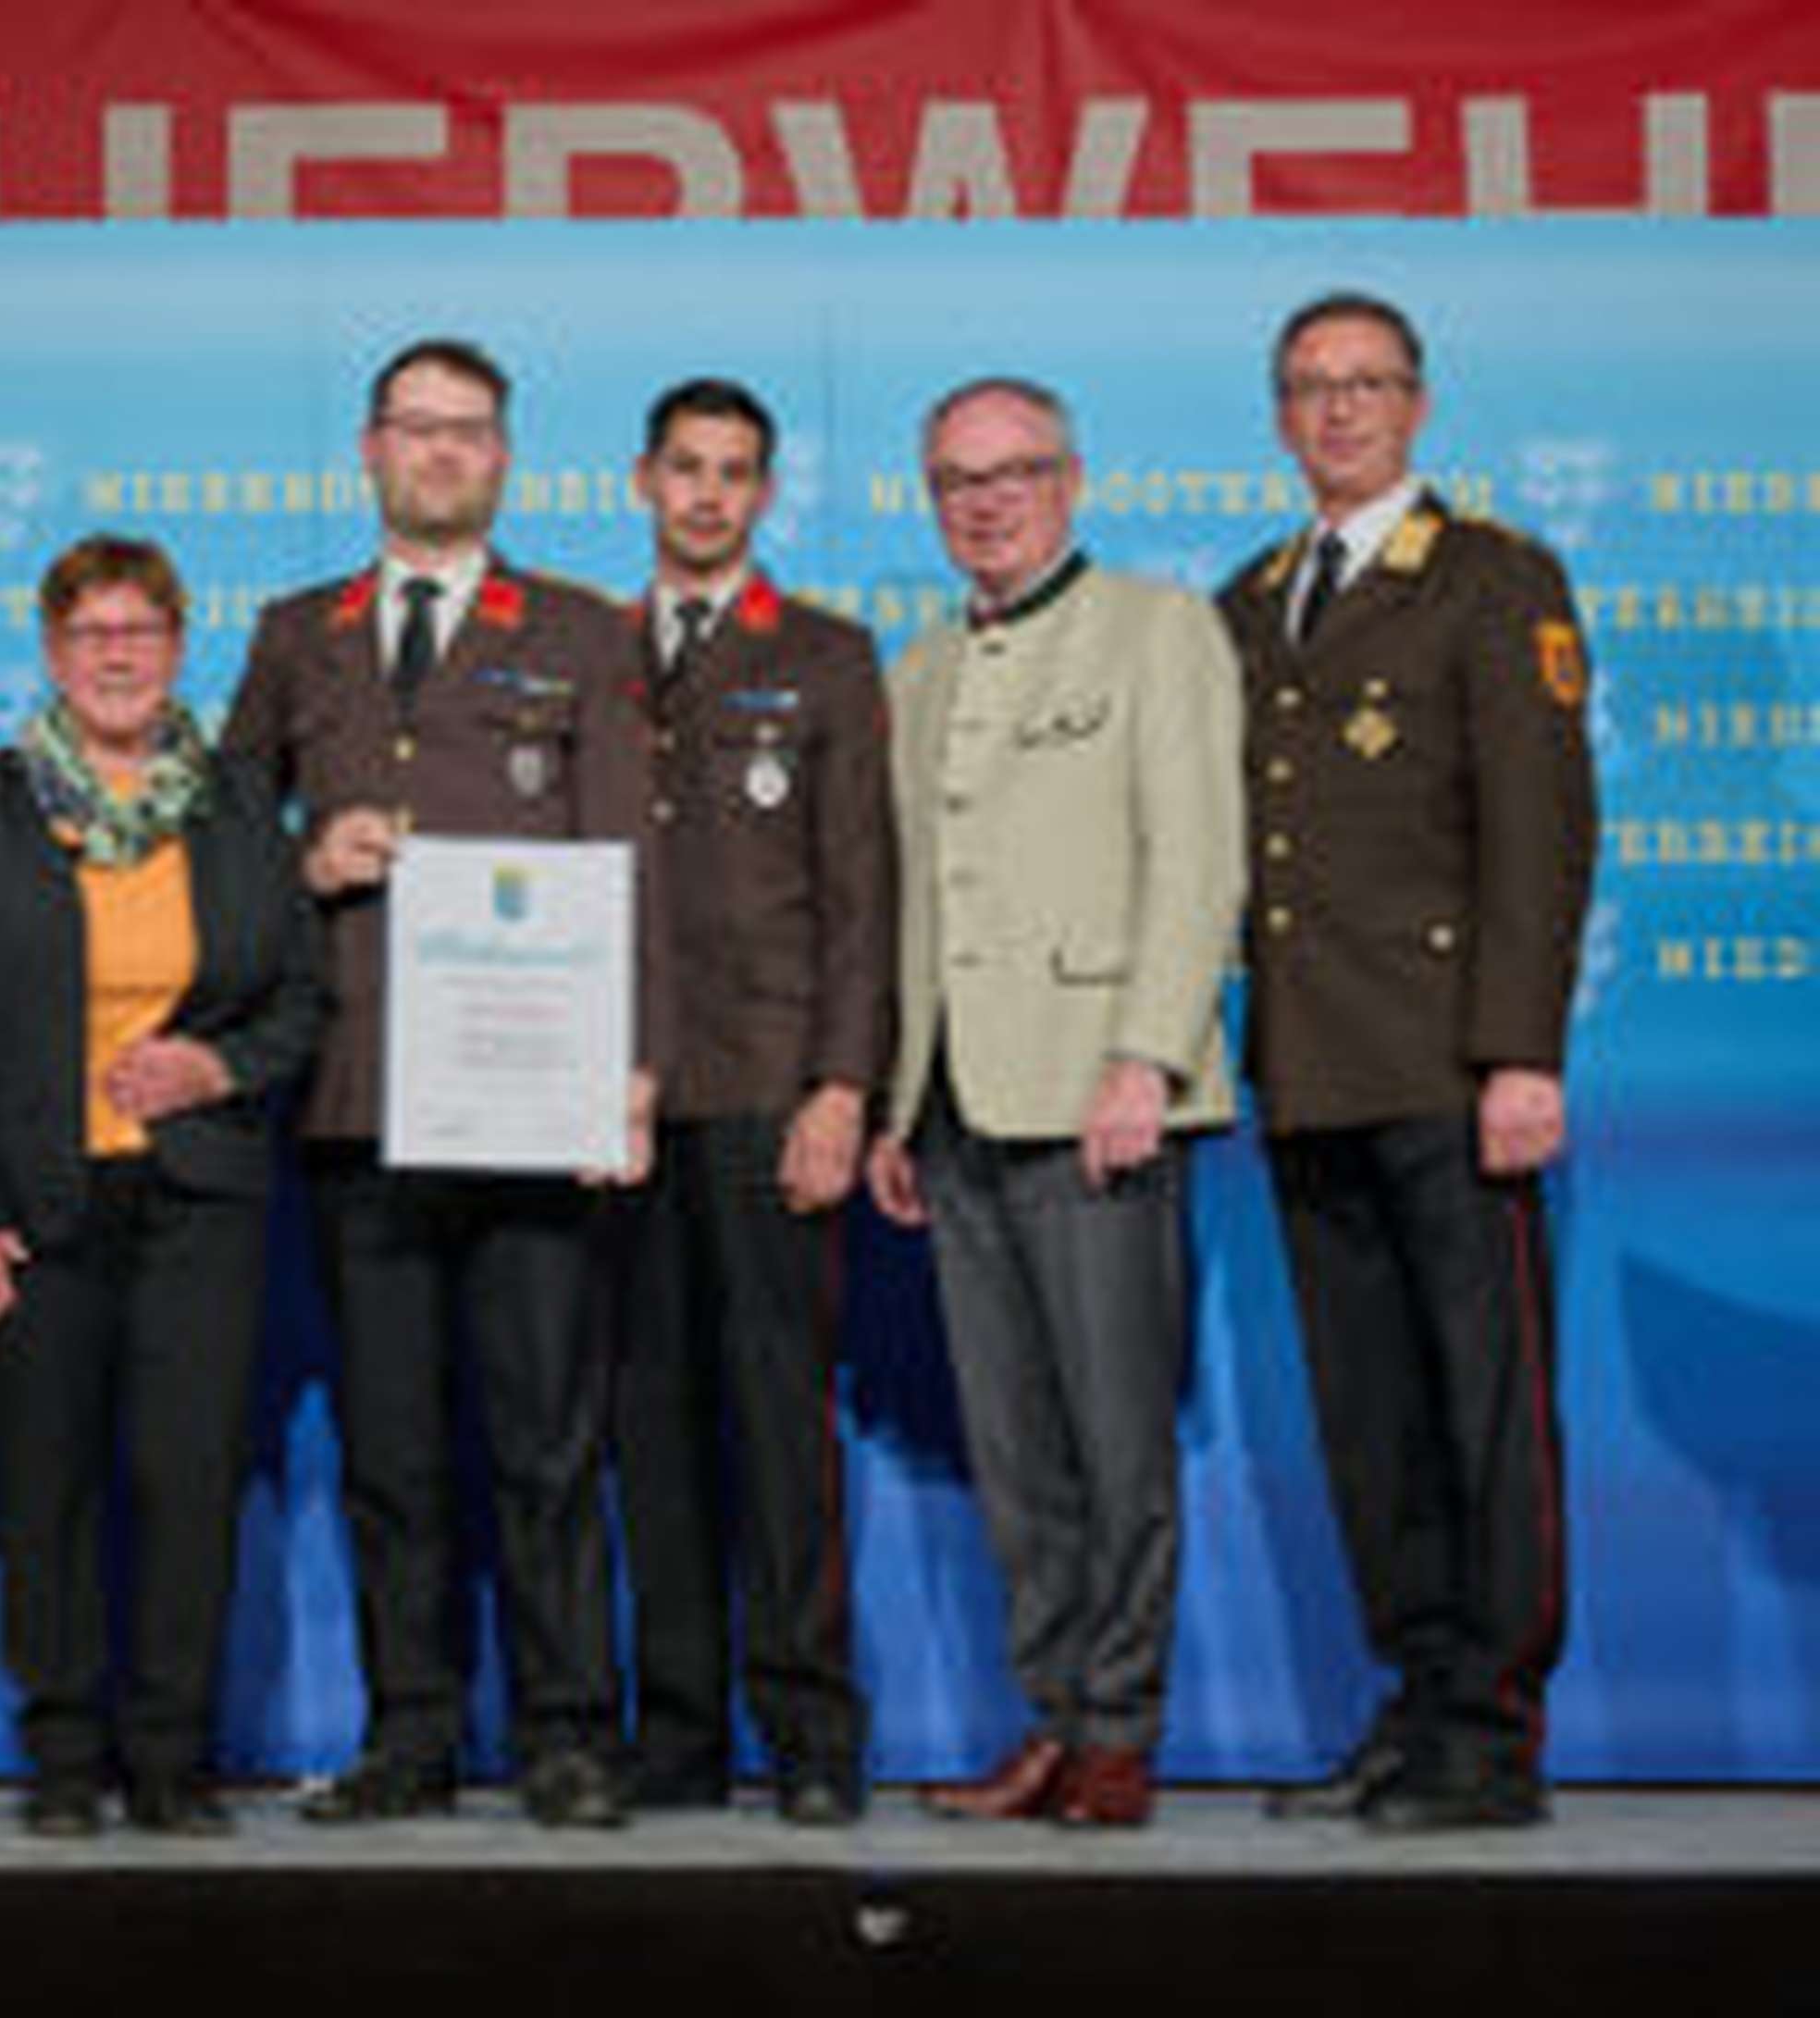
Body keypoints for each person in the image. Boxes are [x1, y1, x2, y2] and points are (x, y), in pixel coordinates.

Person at [222, 337, 665, 1830]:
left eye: (469, 431)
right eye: (418, 429)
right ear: (369, 450)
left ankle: (566, 1737)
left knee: (550, 1440)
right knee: (393, 1447)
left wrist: (637, 1069)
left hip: (538, 1105)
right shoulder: (299, 633)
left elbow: (631, 862)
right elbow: (219, 849)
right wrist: (299, 856)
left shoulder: (587, 627)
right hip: (357, 1101)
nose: (443, 453)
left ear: (506, 456)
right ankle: (410, 1734)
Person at [1221, 293, 1596, 1832]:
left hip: (1450, 1070)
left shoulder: (1494, 581)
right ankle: (1415, 1693)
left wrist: (1521, 1051)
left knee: (1483, 1408)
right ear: (1279, 413)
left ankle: (1492, 1726)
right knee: (1369, 1417)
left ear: (1420, 404)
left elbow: (1543, 831)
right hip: (1309, 1069)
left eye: (1367, 384)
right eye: (1311, 388)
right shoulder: (1250, 601)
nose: (1340, 412)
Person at [865, 377, 1244, 1829]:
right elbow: (915, 910)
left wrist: (1147, 1052)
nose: (987, 499)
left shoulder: (1159, 627)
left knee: (1116, 1437)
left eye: (1015, 472)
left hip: (1100, 1094)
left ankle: (1120, 1729)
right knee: (1015, 1453)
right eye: (957, 479)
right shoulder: (920, 672)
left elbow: (1197, 859)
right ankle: (1051, 1715)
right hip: (959, 1106)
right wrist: (902, 1104)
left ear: (1072, 480)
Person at [0, 535, 322, 1838]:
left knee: (187, 1477)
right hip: (37, 1201)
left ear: (178, 644)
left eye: (141, 628)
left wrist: (213, 1064)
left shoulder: (242, 802)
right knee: (49, 1482)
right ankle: (64, 1751)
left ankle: (170, 1754)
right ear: (50, 650)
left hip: (201, 1198)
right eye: (91, 631)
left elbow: (300, 999)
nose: (118, 652)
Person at [603, 378, 893, 1824]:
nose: (709, 495)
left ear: (767, 495)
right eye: (687, 469)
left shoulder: (830, 658)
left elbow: (862, 897)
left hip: (770, 1089)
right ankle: (676, 1731)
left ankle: (813, 1732)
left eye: (736, 474)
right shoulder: (579, 650)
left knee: (780, 1419)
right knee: (646, 1421)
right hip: (611, 1103)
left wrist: (844, 1084)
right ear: (643, 482)